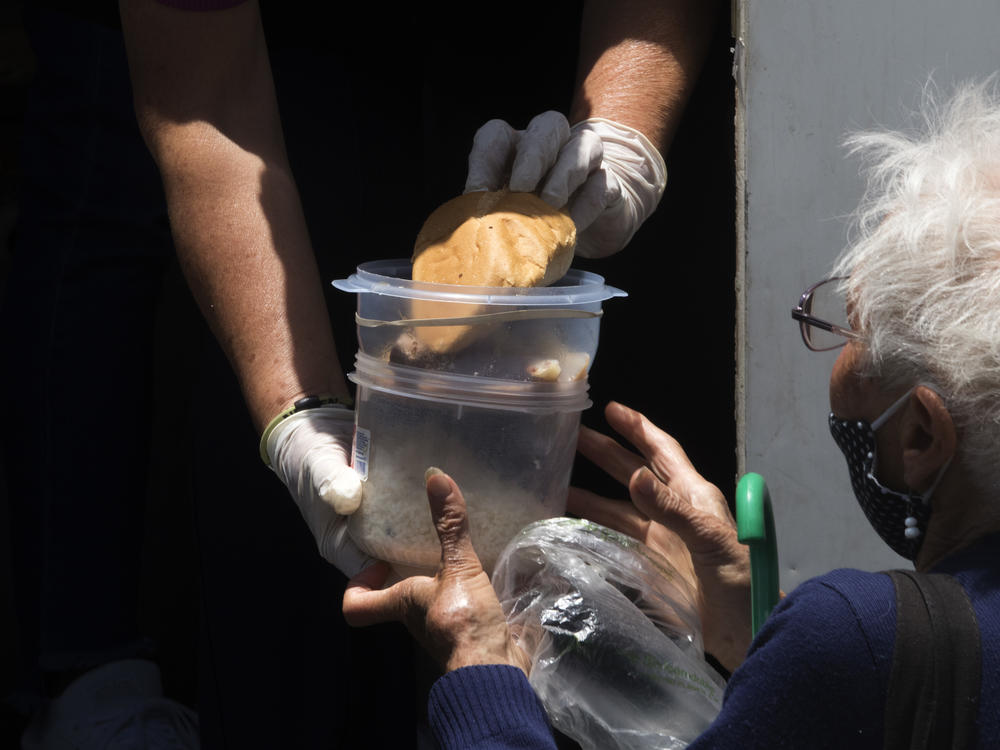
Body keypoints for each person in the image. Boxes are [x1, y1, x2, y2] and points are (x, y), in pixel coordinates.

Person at [3, 0, 727, 747]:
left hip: (555, 41)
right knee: (295, 582)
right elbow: (207, 107)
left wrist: (624, 132)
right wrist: (297, 412)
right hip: (300, 50)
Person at [342, 79, 1000, 748]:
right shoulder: (865, 648)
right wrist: (748, 626)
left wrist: (479, 667)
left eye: (848, 330)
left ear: (921, 433)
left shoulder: (856, 637)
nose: (832, 349)